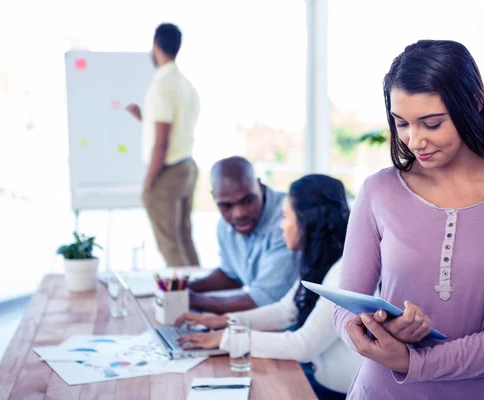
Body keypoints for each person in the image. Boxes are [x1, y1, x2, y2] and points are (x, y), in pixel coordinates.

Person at [333, 40, 484, 400]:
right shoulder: (378, 190)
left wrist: (413, 361)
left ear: (473, 103)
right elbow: (345, 304)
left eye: (432, 123)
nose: (415, 140)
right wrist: (371, 327)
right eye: (402, 123)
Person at [176, 174, 362, 399]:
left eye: (285, 216)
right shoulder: (324, 260)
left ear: (306, 221)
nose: (281, 225)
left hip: (338, 394)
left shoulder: (344, 272)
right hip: (319, 381)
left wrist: (225, 338)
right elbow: (286, 311)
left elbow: (302, 346)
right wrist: (223, 321)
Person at [125, 23, 200, 267]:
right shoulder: (185, 85)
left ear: (156, 46)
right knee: (184, 239)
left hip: (168, 173)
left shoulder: (161, 86)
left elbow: (162, 142)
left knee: (169, 245)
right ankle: (200, 295)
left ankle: (186, 301)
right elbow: (173, 130)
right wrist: (143, 118)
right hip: (187, 166)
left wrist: (148, 184)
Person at [186, 156, 298, 314]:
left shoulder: (288, 221)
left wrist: (191, 299)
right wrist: (186, 287)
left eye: (248, 200)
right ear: (215, 198)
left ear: (259, 185)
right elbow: (232, 275)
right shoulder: (225, 225)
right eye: (226, 205)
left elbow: (263, 300)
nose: (239, 214)